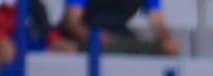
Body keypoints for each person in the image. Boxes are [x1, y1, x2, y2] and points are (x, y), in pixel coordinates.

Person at [51, 0, 179, 55]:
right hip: (86, 39)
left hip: (120, 37)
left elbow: (158, 23)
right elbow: (71, 22)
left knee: (167, 50)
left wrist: (166, 39)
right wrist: (94, 37)